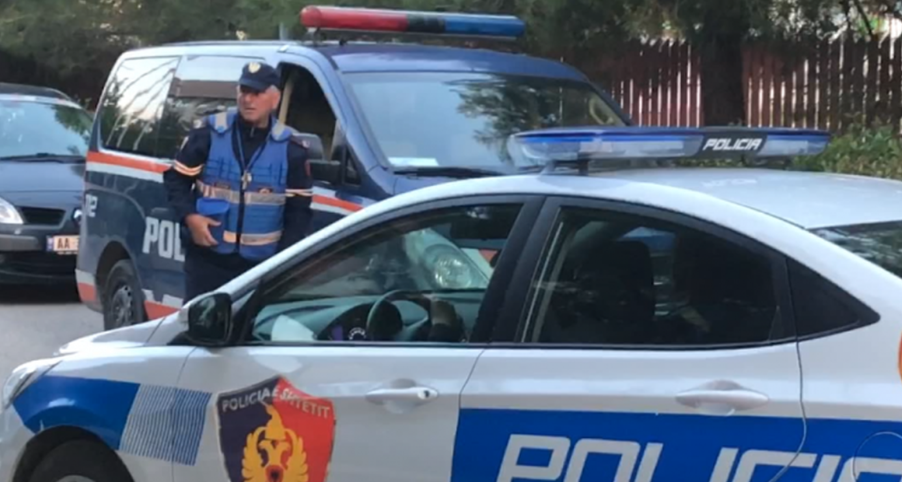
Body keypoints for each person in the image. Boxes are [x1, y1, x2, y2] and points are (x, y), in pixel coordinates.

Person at [163, 61, 314, 302]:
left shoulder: (291, 148)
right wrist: (190, 218)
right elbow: (176, 180)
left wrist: (283, 263)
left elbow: (299, 213)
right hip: (208, 261)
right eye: (244, 91)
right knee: (200, 323)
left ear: (275, 99)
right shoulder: (209, 134)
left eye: (257, 93)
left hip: (262, 267)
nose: (248, 99)